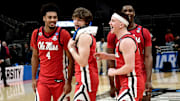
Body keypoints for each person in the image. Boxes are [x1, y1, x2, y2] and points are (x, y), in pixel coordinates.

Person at [107, 4, 153, 101]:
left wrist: (148, 80)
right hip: (123, 78)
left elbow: (148, 57)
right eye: (125, 11)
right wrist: (112, 84)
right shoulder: (115, 36)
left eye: (130, 10)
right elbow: (119, 57)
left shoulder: (142, 32)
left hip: (134, 77)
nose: (128, 13)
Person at [95, 12, 144, 101]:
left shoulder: (126, 41)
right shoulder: (122, 40)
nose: (110, 23)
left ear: (121, 24)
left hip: (132, 82)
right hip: (127, 82)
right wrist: (108, 56)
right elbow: (122, 58)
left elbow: (129, 66)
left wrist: (114, 72)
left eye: (113, 21)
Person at [30, 3, 74, 101]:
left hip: (60, 81)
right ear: (44, 18)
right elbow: (35, 57)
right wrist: (33, 79)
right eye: (50, 17)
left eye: (55, 17)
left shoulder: (63, 34)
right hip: (43, 81)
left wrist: (69, 82)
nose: (53, 20)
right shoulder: (36, 34)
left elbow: (71, 60)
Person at [68, 7, 99, 101]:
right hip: (85, 77)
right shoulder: (84, 34)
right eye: (75, 19)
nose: (76, 22)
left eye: (79, 20)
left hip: (86, 78)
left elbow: (82, 62)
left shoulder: (84, 36)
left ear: (86, 22)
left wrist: (71, 48)